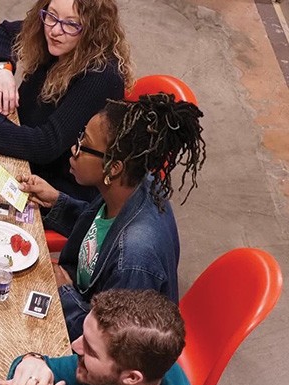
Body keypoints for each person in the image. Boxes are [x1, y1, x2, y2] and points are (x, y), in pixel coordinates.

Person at [20, 93, 205, 341]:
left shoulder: (134, 260)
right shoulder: (131, 185)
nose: (73, 150)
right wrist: (57, 202)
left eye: (84, 144)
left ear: (113, 167)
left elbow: (112, 344)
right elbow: (100, 235)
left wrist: (65, 294)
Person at [0, 0, 132, 203]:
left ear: (93, 30)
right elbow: (4, 32)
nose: (55, 30)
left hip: (54, 188)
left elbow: (45, 145)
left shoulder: (102, 77)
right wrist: (3, 69)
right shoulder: (54, 35)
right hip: (20, 147)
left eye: (71, 24)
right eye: (51, 15)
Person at [1, 289, 205, 385]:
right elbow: (47, 372)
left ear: (132, 377)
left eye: (90, 348)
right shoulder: (133, 364)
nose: (75, 346)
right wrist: (32, 362)